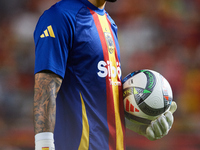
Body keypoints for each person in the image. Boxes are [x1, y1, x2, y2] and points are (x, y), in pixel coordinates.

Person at [33, 0, 177, 149]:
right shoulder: (60, 17)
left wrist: (140, 124)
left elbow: (100, 100)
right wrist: (44, 145)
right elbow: (44, 88)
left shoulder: (109, 23)